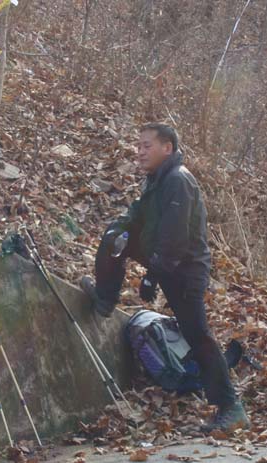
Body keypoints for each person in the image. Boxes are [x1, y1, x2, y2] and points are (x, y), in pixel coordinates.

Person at [81, 124, 250, 433]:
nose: (140, 151)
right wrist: (119, 233)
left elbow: (175, 238)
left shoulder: (178, 181)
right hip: (167, 262)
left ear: (167, 148)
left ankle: (231, 406)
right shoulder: (157, 181)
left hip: (185, 271)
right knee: (115, 235)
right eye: (139, 146)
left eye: (147, 146)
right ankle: (105, 299)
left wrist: (152, 276)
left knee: (197, 334)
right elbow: (137, 219)